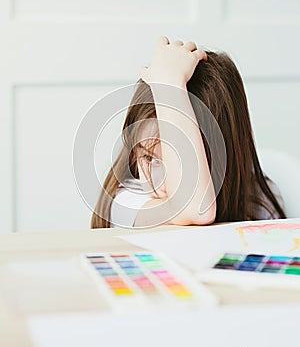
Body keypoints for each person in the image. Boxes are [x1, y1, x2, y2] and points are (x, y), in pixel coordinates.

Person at [91, 36, 286, 229]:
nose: (163, 182)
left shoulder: (258, 201)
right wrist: (169, 85)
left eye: (177, 157)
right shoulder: (128, 201)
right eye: (150, 158)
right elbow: (194, 209)